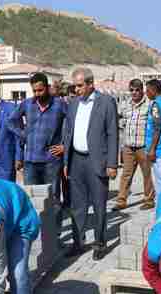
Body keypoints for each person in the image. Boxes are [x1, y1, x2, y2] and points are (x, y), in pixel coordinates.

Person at [62, 67, 119, 261]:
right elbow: (67, 132)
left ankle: (100, 243)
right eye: (75, 86)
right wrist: (66, 161)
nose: (76, 89)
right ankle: (78, 243)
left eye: (79, 86)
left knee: (99, 204)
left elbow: (113, 134)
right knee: (78, 205)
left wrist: (112, 163)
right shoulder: (73, 103)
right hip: (76, 160)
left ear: (90, 84)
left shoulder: (106, 103)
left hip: (97, 160)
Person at [8, 73, 66, 239]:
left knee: (53, 199)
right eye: (34, 91)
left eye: (40, 90)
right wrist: (23, 134)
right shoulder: (27, 104)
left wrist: (64, 146)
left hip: (51, 161)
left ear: (47, 88)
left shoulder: (59, 105)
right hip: (31, 161)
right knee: (31, 199)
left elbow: (72, 126)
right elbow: (10, 122)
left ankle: (54, 235)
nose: (37, 94)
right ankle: (35, 234)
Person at [112, 79, 156, 212]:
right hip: (128, 146)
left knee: (147, 174)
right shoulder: (125, 105)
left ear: (142, 90)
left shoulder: (150, 105)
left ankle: (149, 200)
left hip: (143, 147)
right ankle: (121, 201)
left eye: (137, 90)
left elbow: (156, 125)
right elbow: (117, 119)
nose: (134, 93)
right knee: (126, 174)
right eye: (132, 90)